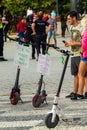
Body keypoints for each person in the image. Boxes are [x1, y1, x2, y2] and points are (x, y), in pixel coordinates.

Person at [64, 11, 84, 99]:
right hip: (73, 53)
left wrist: (73, 43)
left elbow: (84, 42)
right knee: (75, 74)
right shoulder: (71, 27)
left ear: (74, 18)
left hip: (80, 54)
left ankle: (81, 93)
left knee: (81, 75)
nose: (68, 20)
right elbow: (73, 40)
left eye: (69, 19)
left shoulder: (81, 28)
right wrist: (69, 43)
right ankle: (75, 92)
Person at [76, 16, 87, 100]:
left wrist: (81, 51)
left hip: (85, 55)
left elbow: (84, 45)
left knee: (80, 74)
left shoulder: (86, 32)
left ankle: (80, 94)